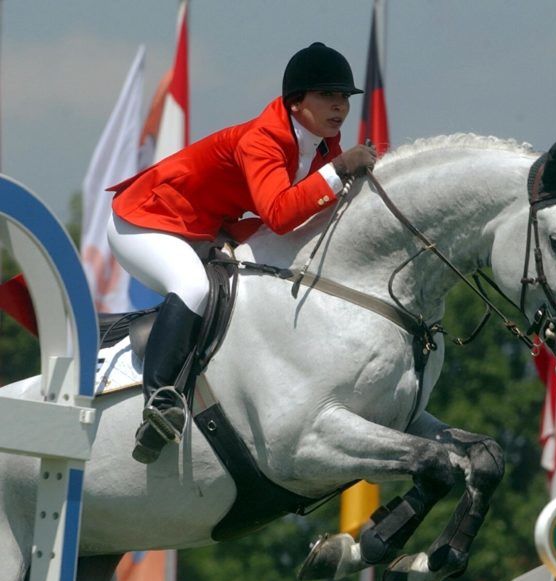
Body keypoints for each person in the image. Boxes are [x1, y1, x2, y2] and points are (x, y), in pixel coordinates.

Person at [107, 42, 377, 464]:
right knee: (192, 285)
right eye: (328, 95)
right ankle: (159, 401)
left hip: (207, 228)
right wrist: (340, 171)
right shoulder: (263, 139)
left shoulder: (324, 147)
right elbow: (281, 213)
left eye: (344, 98)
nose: (340, 106)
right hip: (146, 220)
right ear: (296, 102)